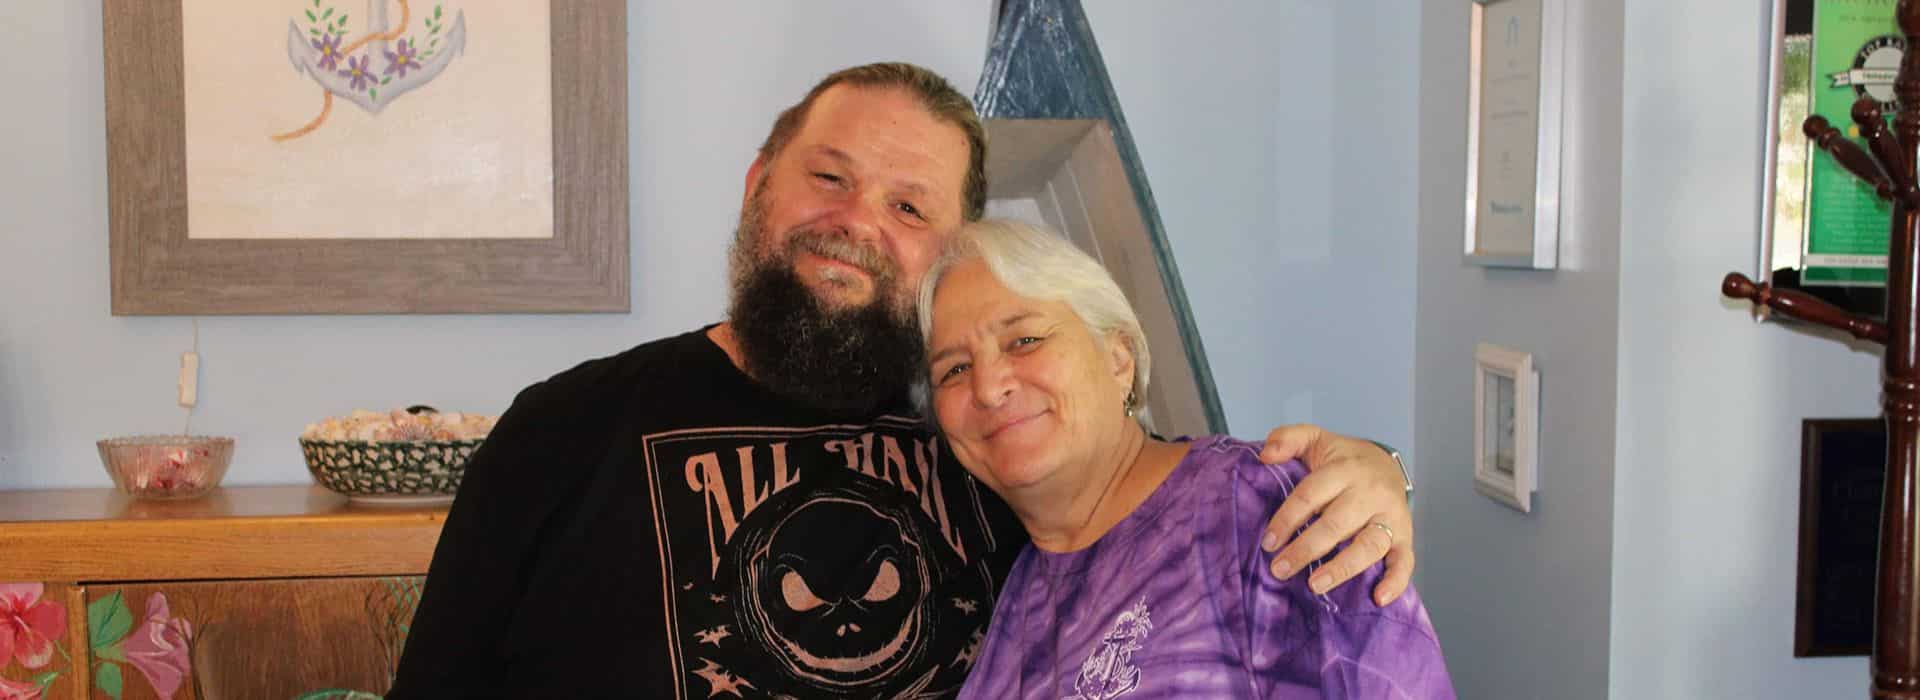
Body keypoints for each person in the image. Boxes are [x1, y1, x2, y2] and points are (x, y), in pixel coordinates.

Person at [386, 62, 1416, 699]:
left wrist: (1368, 467)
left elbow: (1156, 503)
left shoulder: (984, 435)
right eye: (828, 178)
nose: (858, 220)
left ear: (949, 248)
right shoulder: (567, 426)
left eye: (910, 206)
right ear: (759, 187)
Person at [920, 219, 1453, 698]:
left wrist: (1389, 467)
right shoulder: (1014, 599)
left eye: (1025, 339)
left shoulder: (1266, 509)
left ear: (1118, 359)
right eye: (954, 370)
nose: (988, 387)